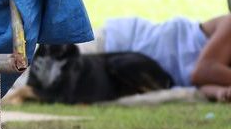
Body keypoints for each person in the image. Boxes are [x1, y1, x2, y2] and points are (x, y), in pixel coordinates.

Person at [81, 14, 231, 102]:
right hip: (120, 43)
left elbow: (203, 86)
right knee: (60, 68)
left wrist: (220, 93)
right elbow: (203, 72)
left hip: (133, 77)